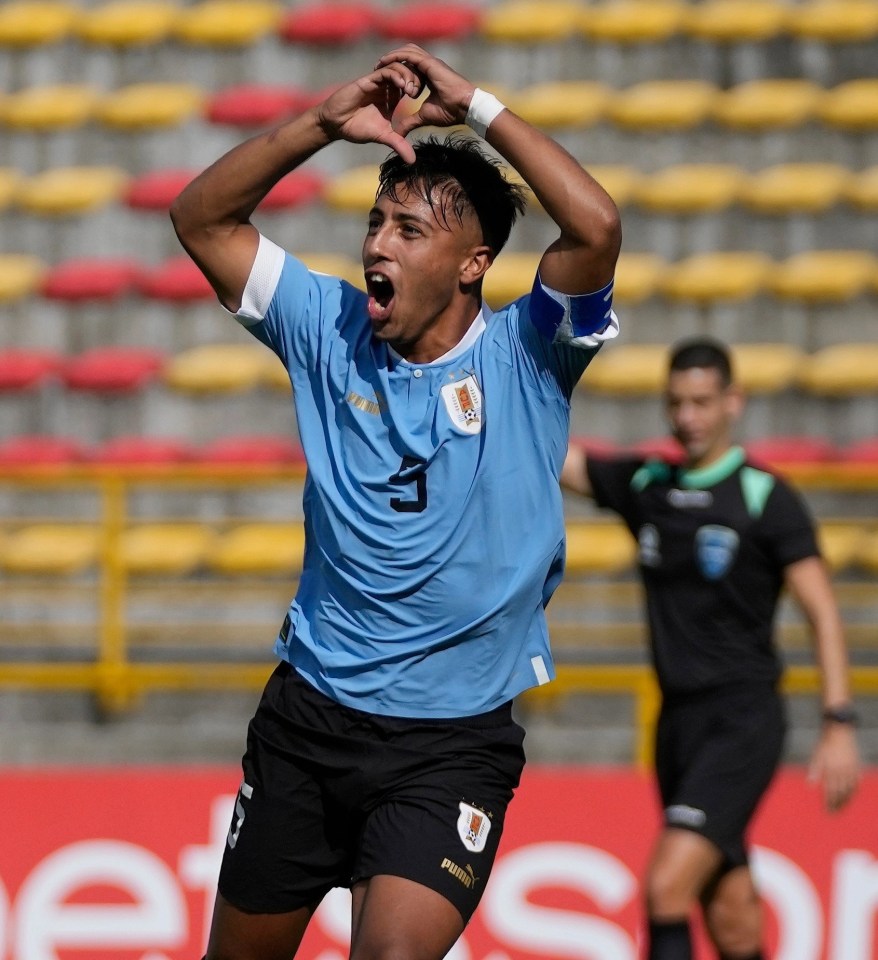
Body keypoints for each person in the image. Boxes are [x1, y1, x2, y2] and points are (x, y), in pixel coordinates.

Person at [170, 44, 621, 960]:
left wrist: (480, 107)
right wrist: (319, 124)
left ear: (472, 265)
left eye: (409, 230)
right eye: (377, 222)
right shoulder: (327, 326)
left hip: (448, 747)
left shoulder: (528, 356)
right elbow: (202, 218)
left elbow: (596, 227)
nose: (377, 242)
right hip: (309, 721)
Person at [561, 336, 861, 960]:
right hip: (676, 727)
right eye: (677, 404)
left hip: (741, 721)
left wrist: (838, 720)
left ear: (733, 403)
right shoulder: (649, 483)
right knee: (731, 917)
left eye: (702, 402)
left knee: (667, 885)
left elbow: (822, 611)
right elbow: (561, 460)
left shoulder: (763, 498)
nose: (688, 419)